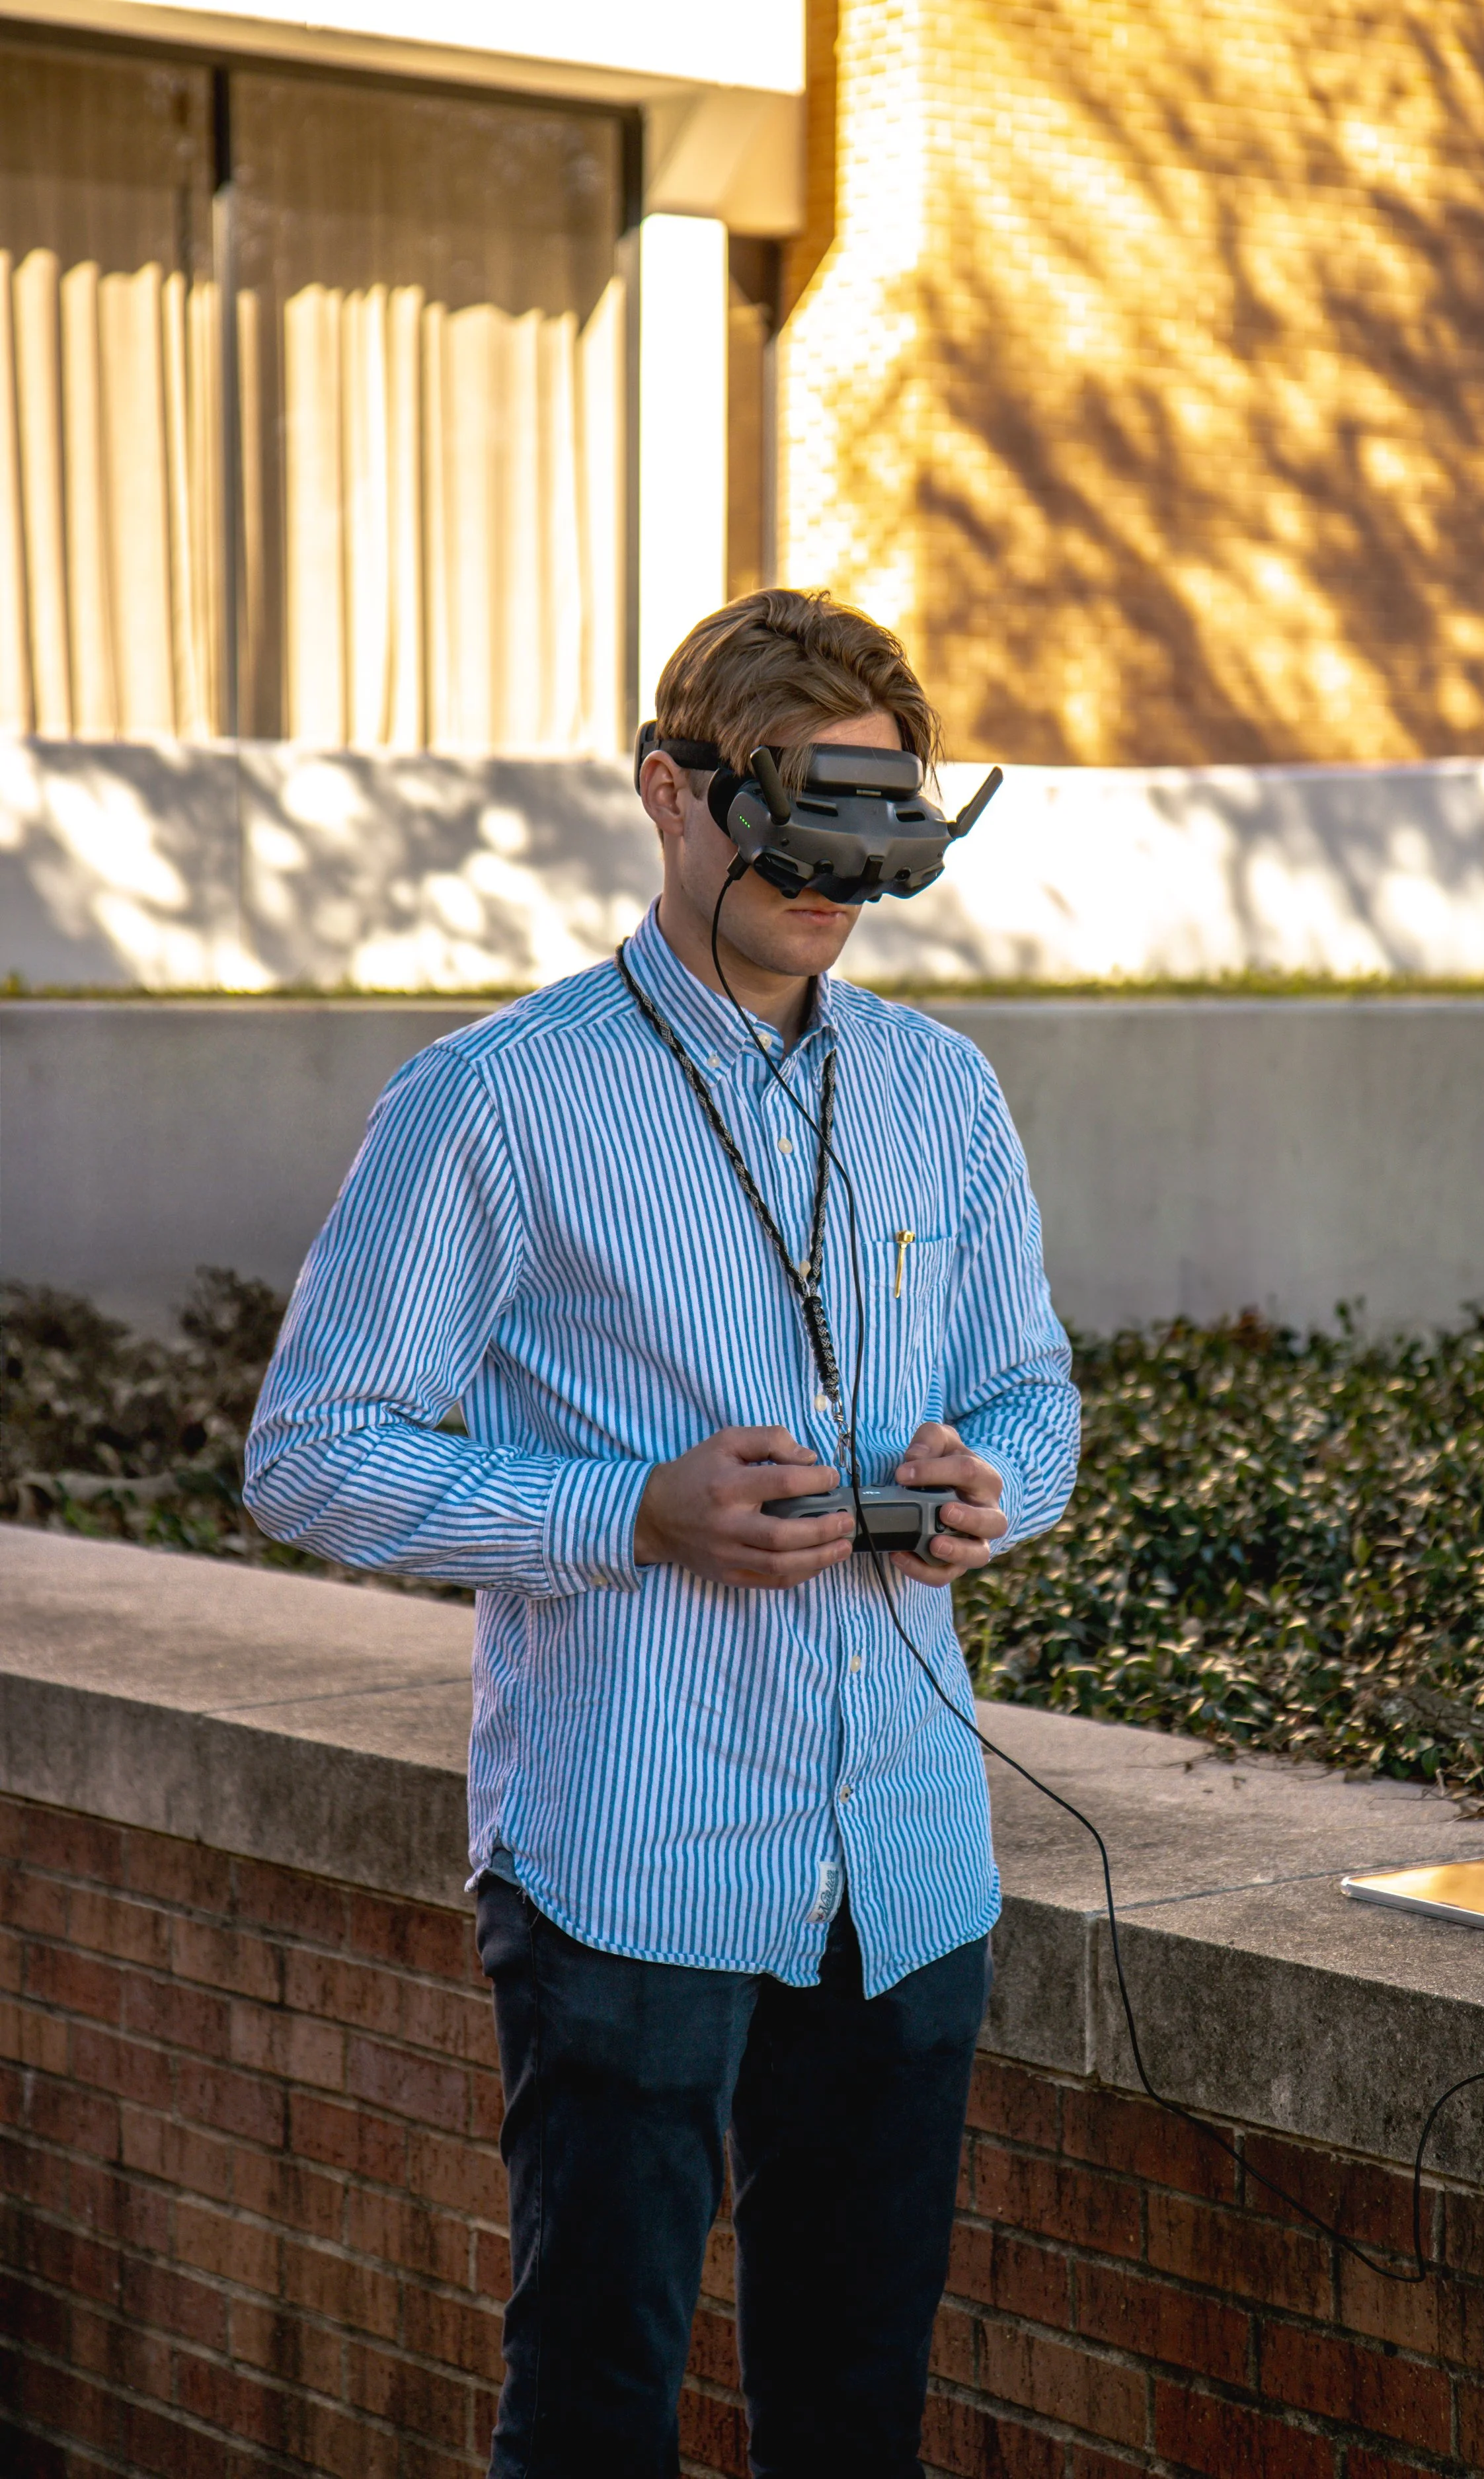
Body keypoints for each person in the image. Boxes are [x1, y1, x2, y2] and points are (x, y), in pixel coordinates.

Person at [244, 588, 1080, 2479]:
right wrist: (625, 1512)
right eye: (803, 825)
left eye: (882, 835)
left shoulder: (944, 1094)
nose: (839, 882)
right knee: (594, 2419)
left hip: (905, 1867)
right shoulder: (495, 1100)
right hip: (626, 1860)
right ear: (668, 793)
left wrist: (987, 1484)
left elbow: (1038, 1393)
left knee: (854, 2421)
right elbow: (307, 1452)